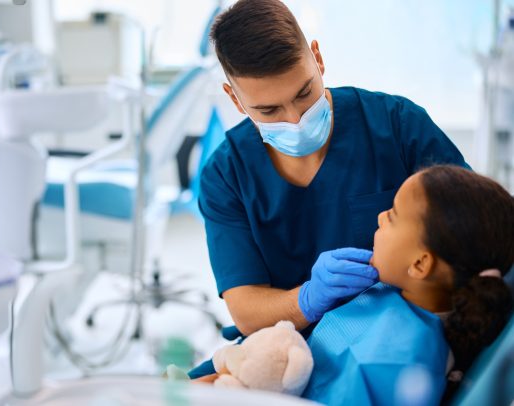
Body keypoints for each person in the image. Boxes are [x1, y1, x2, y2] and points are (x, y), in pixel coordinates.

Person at [190, 0, 469, 378]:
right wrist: (307, 298)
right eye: (269, 111)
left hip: (393, 333)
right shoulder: (226, 174)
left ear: (317, 59)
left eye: (305, 93)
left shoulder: (398, 126)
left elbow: (474, 228)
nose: (296, 119)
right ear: (235, 98)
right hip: (285, 346)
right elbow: (246, 309)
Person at [302, 165, 514, 404]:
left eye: (392, 215)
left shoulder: (405, 361)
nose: (380, 216)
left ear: (420, 264)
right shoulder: (395, 290)